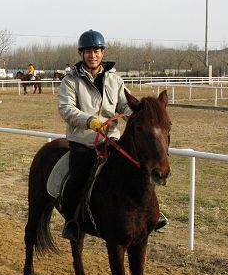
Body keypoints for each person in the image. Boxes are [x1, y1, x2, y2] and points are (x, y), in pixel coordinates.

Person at [57, 29, 168, 241]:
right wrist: (89, 121)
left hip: (112, 139)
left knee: (139, 170)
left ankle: (150, 215)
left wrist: (135, 116)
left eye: (97, 51)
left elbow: (124, 104)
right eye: (88, 51)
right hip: (83, 140)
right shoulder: (70, 80)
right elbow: (66, 108)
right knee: (77, 177)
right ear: (81, 54)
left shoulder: (114, 79)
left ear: (103, 53)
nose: (93, 55)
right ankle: (72, 221)